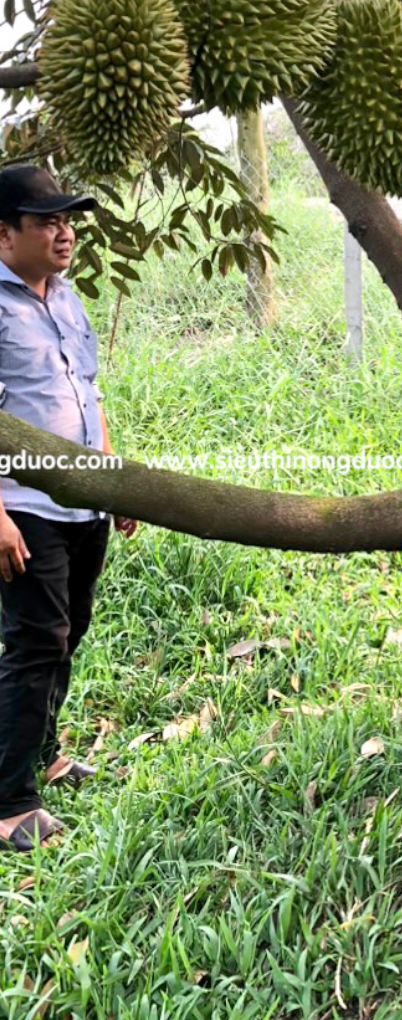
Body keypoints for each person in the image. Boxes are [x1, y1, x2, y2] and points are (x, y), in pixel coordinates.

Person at [0, 163, 138, 853]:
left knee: (71, 628)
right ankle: (10, 799)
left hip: (82, 505)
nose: (65, 232)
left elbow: (89, 394)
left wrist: (108, 483)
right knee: (35, 643)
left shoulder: (66, 298)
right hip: (23, 507)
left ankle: (46, 752)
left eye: (67, 219)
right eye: (47, 221)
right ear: (4, 235)